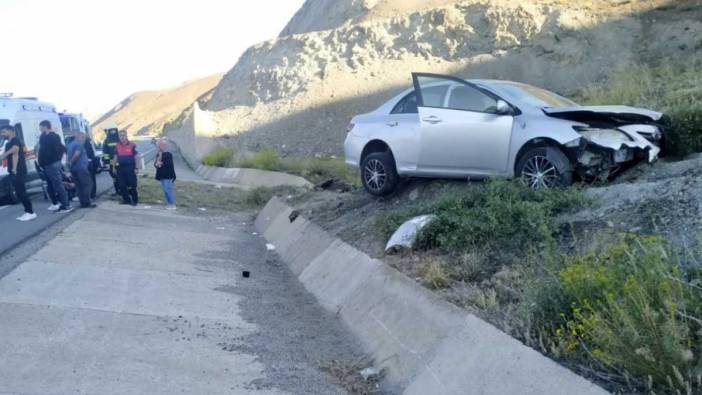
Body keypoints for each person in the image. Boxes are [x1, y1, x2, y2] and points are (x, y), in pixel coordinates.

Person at [0, 125, 36, 221]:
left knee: (21, 192)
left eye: (4, 132)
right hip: (14, 170)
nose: (2, 134)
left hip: (18, 170)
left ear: (10, 131)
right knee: (20, 192)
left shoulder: (15, 140)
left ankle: (30, 212)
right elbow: (8, 154)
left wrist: (14, 169)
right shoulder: (9, 142)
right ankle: (28, 211)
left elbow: (15, 153)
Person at [38, 120, 72, 213]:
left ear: (45, 126)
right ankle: (60, 203)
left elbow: (58, 149)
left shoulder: (54, 136)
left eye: (40, 127)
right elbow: (42, 150)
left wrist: (55, 160)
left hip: (53, 163)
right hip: (46, 164)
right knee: (53, 185)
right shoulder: (43, 137)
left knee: (58, 184)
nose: (39, 129)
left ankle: (66, 205)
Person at [66, 131, 95, 208]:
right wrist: (71, 162)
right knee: (87, 184)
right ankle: (87, 201)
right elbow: (77, 154)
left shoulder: (70, 145)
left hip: (74, 169)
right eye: (83, 137)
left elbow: (68, 156)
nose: (84, 139)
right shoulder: (79, 144)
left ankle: (82, 203)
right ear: (79, 137)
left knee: (79, 186)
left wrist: (69, 166)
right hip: (81, 168)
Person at [115, 130, 140, 206]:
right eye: (120, 135)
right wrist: (113, 167)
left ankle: (135, 200)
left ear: (126, 136)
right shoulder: (117, 145)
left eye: (123, 135)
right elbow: (115, 157)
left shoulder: (132, 145)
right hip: (120, 168)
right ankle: (126, 200)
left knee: (132, 184)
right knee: (122, 185)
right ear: (119, 137)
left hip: (130, 167)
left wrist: (136, 168)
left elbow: (137, 157)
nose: (122, 137)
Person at [154, 139, 176, 210]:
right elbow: (156, 164)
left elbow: (167, 164)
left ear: (165, 146)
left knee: (168, 189)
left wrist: (160, 162)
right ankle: (169, 203)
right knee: (165, 190)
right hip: (162, 175)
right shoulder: (159, 154)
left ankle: (172, 204)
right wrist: (159, 160)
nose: (159, 147)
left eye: (161, 145)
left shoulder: (168, 154)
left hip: (168, 175)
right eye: (159, 145)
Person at [102, 126, 121, 195]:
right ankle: (122, 190)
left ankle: (118, 191)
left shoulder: (107, 140)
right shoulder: (120, 139)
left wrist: (106, 163)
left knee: (115, 177)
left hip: (112, 163)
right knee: (120, 177)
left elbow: (105, 153)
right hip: (120, 162)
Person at [84, 134, 98, 199]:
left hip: (89, 163)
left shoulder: (86, 144)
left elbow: (88, 154)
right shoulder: (89, 143)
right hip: (91, 163)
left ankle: (92, 194)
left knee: (90, 179)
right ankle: (93, 194)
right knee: (92, 179)